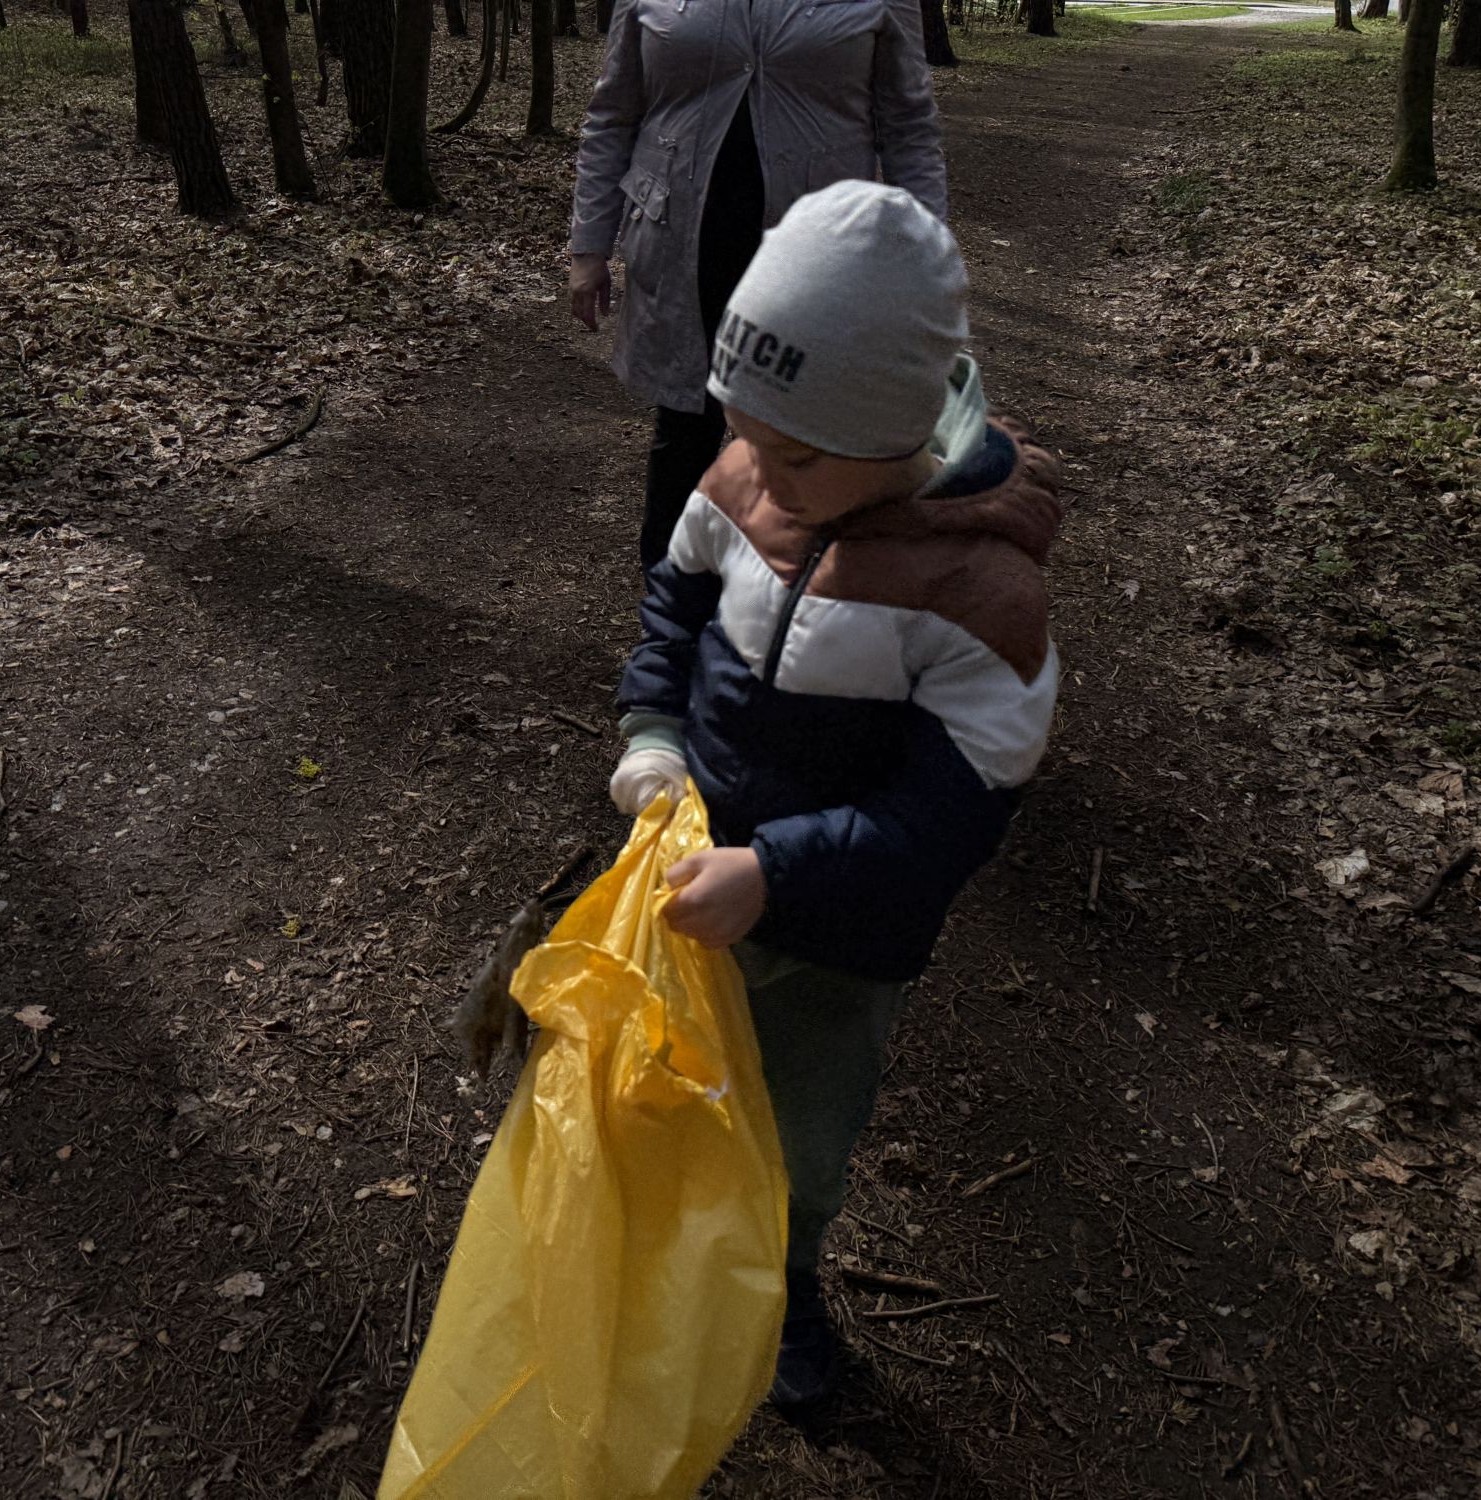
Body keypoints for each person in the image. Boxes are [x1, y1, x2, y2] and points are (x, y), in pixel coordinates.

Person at [606, 181, 1062, 1410]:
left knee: (797, 1136)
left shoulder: (980, 597)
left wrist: (779, 872)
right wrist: (653, 734)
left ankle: (780, 1286)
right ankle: (658, 1254)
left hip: (836, 943)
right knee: (669, 1082)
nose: (760, 473)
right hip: (695, 875)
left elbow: (953, 811)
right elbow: (675, 603)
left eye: (796, 454)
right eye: (742, 435)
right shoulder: (751, 474)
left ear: (894, 427)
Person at [568, 0, 949, 571]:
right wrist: (588, 245)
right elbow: (613, 115)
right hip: (684, 245)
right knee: (686, 428)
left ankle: (800, 601)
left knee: (807, 432)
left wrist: (922, 259)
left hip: (817, 256)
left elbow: (909, 129)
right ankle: (673, 599)